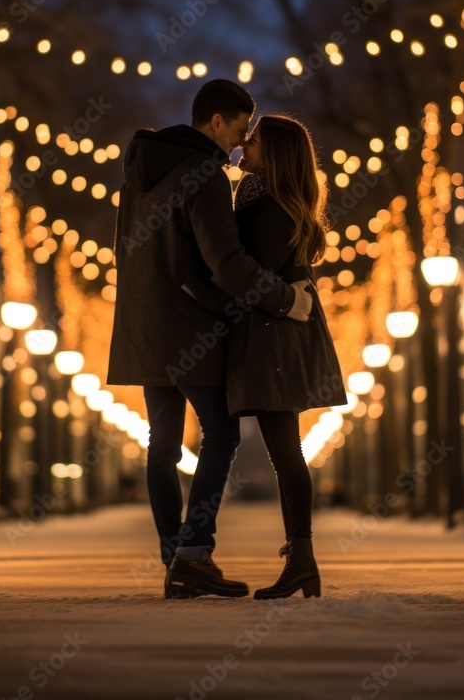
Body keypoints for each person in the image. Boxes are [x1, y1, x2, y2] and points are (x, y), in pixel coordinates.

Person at [106, 81, 313, 599]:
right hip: (192, 326)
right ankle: (192, 555)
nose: (241, 144)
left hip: (142, 325)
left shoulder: (138, 172)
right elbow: (227, 263)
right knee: (218, 436)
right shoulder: (204, 174)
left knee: (163, 445)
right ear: (217, 121)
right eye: (241, 129)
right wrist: (286, 300)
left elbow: (124, 252)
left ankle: (174, 556)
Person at [182, 114, 347, 599]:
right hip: (275, 333)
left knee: (285, 450)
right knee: (285, 450)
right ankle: (301, 560)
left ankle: (302, 558)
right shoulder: (263, 199)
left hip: (277, 337)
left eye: (253, 141)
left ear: (273, 154)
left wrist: (197, 288)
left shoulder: (271, 206)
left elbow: (249, 276)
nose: (243, 146)